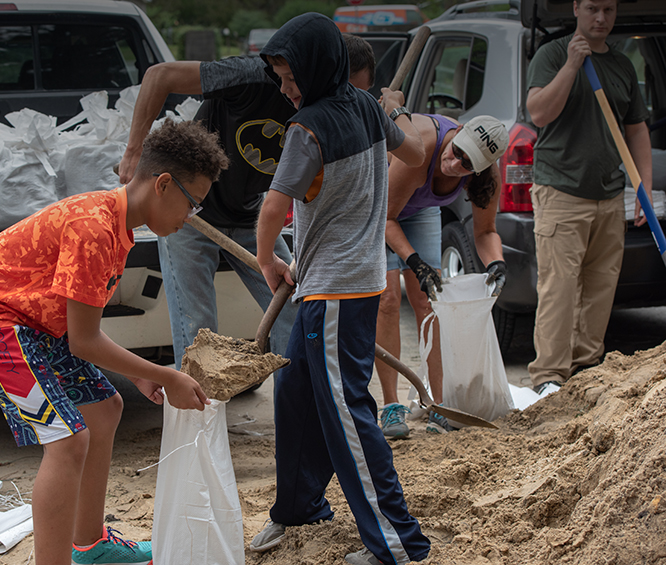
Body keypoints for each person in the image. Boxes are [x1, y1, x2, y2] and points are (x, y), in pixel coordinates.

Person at [0, 120, 228, 565]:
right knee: (68, 440)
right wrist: (163, 375)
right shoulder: (95, 229)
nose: (191, 218)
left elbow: (79, 329)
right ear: (163, 185)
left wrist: (136, 373)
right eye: (193, 204)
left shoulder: (118, 225)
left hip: (32, 323)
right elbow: (84, 341)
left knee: (105, 410)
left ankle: (91, 545)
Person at [251, 13, 430, 565]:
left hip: (333, 291)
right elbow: (418, 155)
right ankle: (299, 505)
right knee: (296, 396)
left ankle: (398, 543)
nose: (285, 90)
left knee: (349, 416)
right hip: (347, 284)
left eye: (290, 78)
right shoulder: (369, 109)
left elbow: (273, 207)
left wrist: (266, 261)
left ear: (315, 68)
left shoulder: (307, 128)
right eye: (280, 79)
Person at [117, 34, 378, 373]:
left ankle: (296, 402)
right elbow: (159, 76)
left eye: (356, 96)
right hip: (188, 214)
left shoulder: (334, 117)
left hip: (249, 215)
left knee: (293, 307)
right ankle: (201, 419)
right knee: (198, 326)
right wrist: (135, 150)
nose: (346, 103)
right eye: (343, 91)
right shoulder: (256, 76)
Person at [525, 0, 652, 394]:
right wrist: (571, 66)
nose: (601, 18)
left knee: (600, 289)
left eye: (609, 10)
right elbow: (539, 113)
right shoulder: (552, 54)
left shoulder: (621, 64)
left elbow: (636, 130)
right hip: (561, 190)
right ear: (577, 7)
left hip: (609, 193)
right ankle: (549, 377)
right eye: (593, 8)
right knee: (559, 288)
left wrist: (643, 187)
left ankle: (586, 370)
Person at [376, 114, 509, 438]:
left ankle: (438, 404)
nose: (455, 163)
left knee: (430, 303)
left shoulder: (486, 176)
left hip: (419, 210)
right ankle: (392, 405)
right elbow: (386, 218)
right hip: (377, 207)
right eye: (457, 152)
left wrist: (497, 263)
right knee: (388, 300)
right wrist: (415, 262)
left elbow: (486, 231)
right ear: (458, 132)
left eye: (467, 164)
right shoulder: (423, 144)